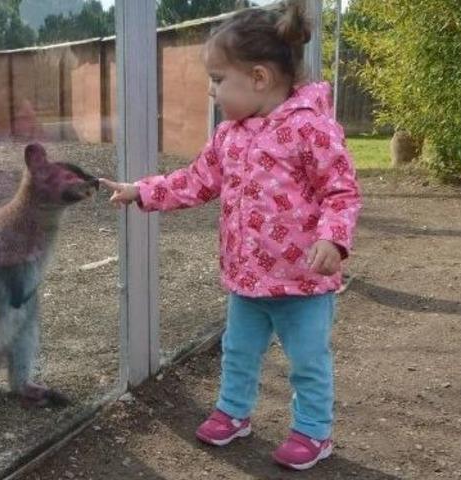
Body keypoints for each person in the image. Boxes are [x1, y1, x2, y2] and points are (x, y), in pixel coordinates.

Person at [99, 0, 361, 471]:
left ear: (258, 78)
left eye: (219, 80)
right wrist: (143, 190)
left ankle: (312, 432)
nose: (212, 92)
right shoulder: (229, 136)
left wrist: (334, 239)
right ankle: (234, 412)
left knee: (307, 363)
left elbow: (341, 191)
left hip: (302, 283)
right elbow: (197, 180)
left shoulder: (311, 129)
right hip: (246, 280)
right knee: (238, 351)